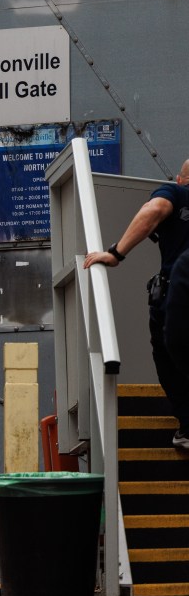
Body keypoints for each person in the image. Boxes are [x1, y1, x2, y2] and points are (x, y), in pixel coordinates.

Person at [83, 159, 189, 451]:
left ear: (181, 180)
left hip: (178, 295)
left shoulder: (176, 193)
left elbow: (154, 210)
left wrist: (116, 253)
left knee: (169, 357)